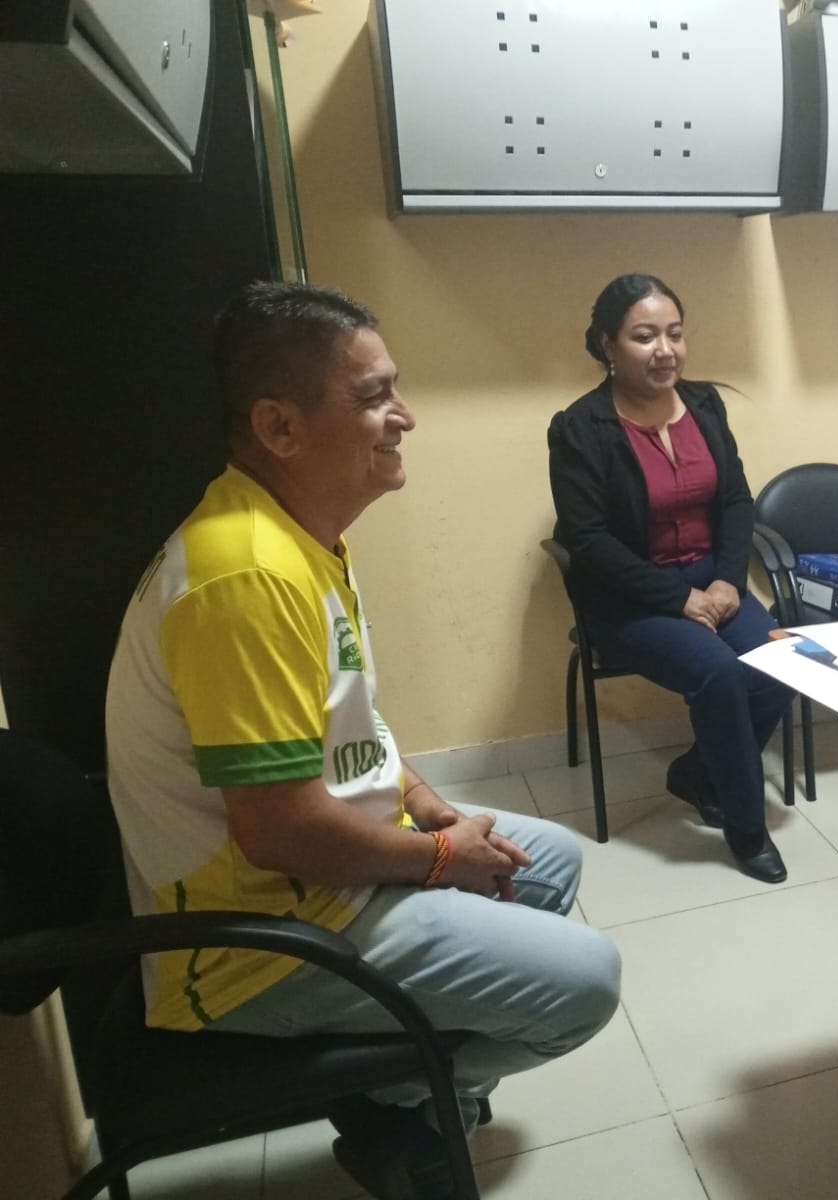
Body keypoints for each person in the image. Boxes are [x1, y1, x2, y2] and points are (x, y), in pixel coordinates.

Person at [105, 281, 621, 1200]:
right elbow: (279, 832)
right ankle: (400, 1101)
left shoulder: (300, 537)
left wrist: (426, 803)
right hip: (262, 940)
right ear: (280, 426)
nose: (405, 416)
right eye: (376, 396)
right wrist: (438, 858)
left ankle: (410, 1108)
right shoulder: (243, 578)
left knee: (547, 863)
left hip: (323, 879)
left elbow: (349, 719)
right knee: (588, 982)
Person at [548, 274, 792, 884]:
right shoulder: (580, 428)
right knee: (719, 674)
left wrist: (729, 581)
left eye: (675, 334)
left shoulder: (705, 406)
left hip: (712, 579)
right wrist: (678, 598)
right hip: (629, 596)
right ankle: (747, 828)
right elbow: (588, 541)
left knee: (777, 664)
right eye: (644, 336)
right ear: (607, 345)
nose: (665, 350)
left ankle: (697, 774)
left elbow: (736, 500)